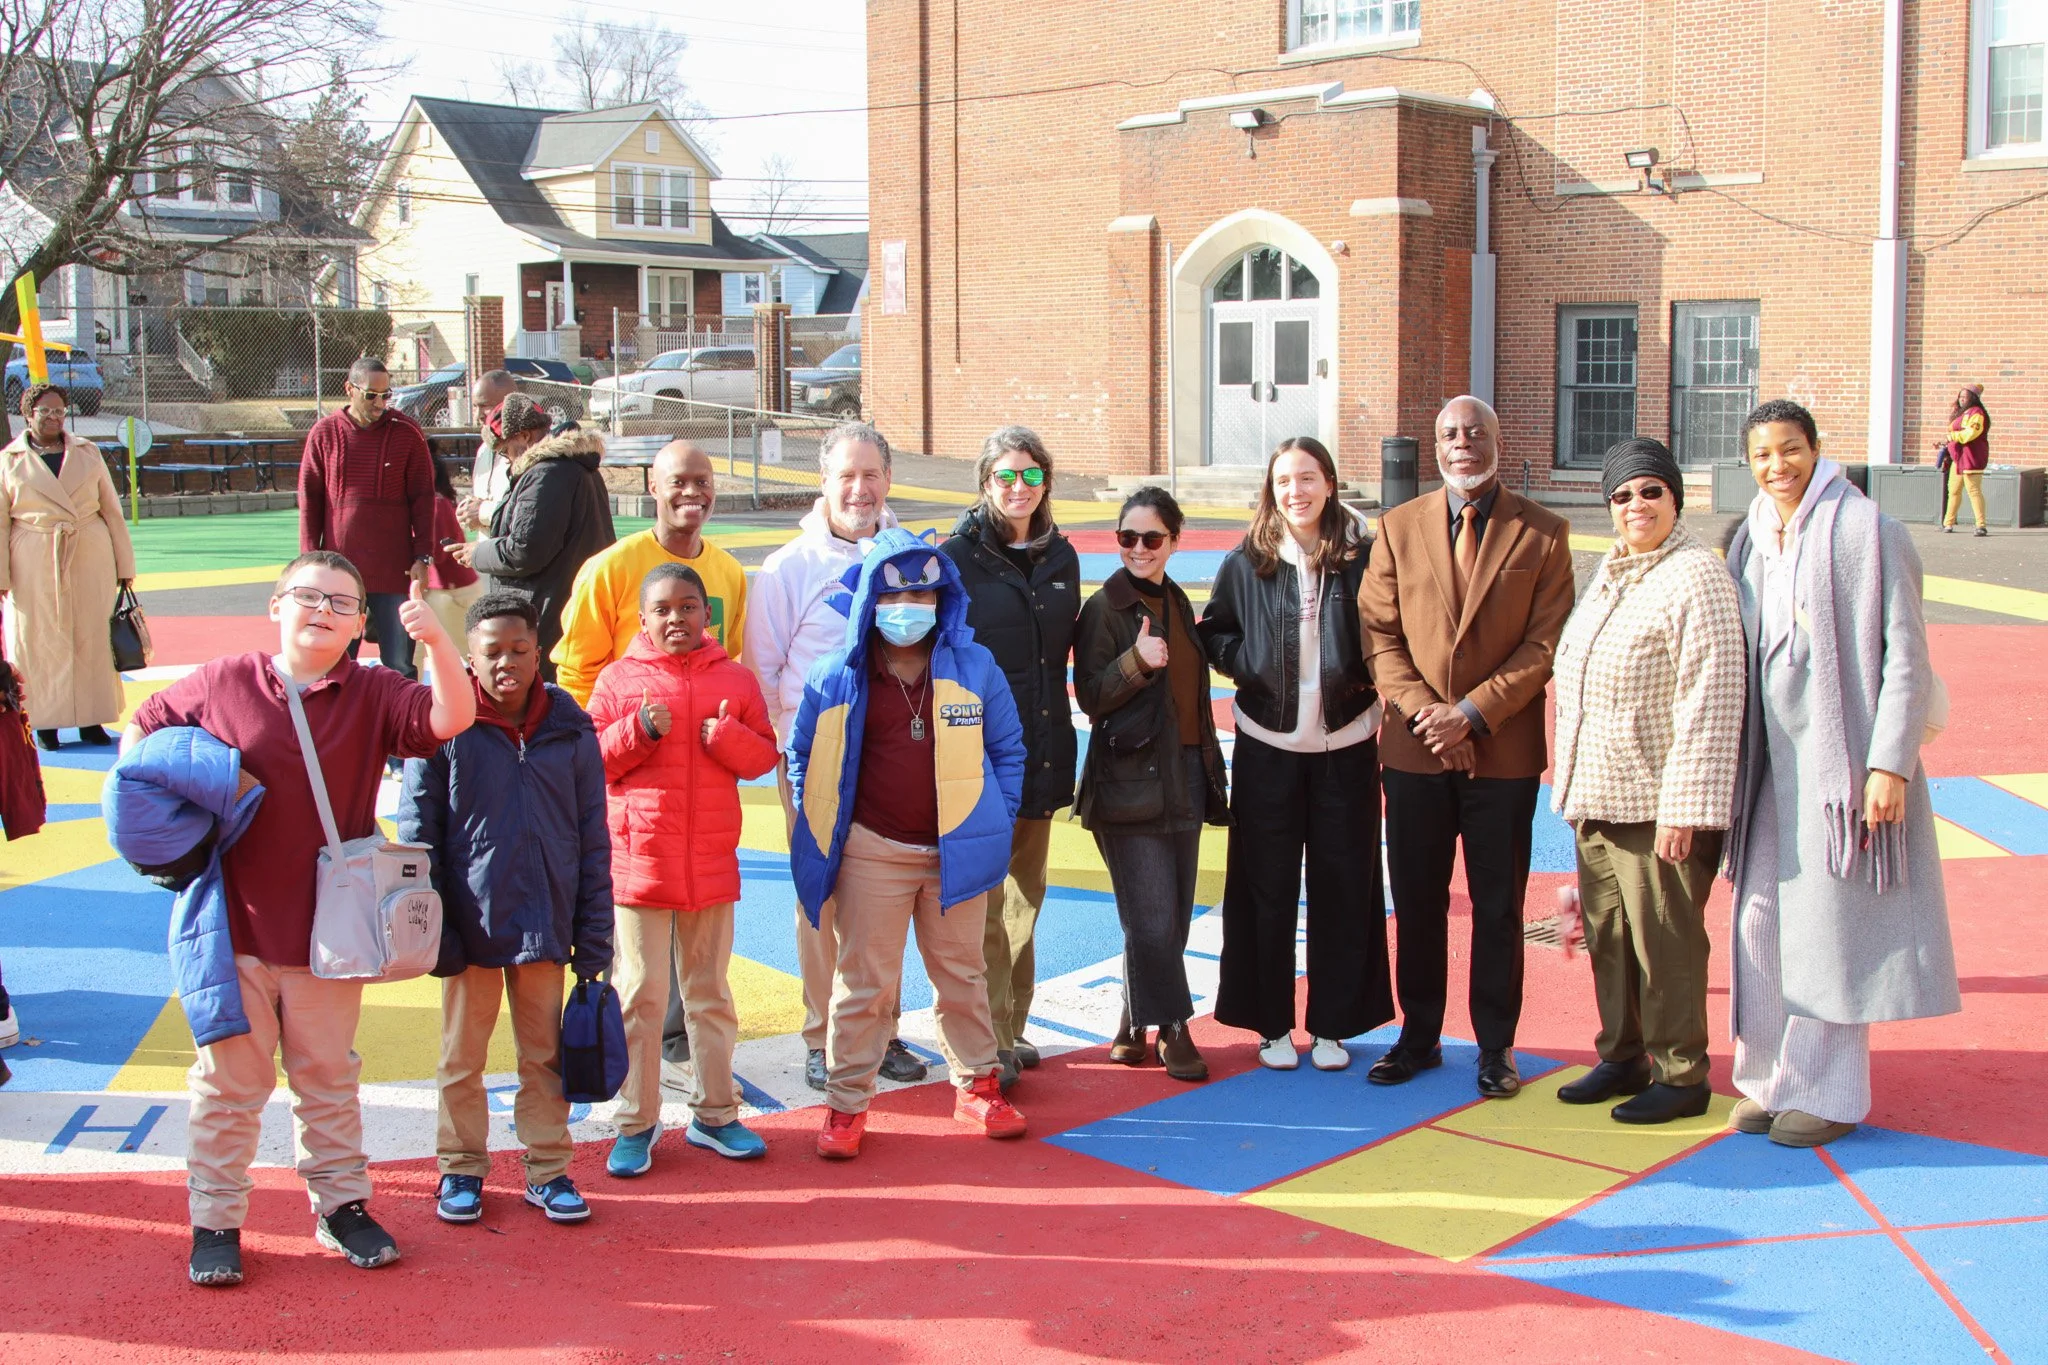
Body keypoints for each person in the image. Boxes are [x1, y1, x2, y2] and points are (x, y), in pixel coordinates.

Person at [121, 551, 476, 1287]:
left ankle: (341, 1204)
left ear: (359, 625)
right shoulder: (223, 682)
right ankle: (216, 1216)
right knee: (227, 1083)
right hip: (233, 932)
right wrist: (155, 828)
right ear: (276, 605)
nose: (323, 610)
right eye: (308, 595)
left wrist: (438, 641)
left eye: (343, 602)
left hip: (330, 936)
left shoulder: (375, 690)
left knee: (328, 1076)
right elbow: (142, 734)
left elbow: (451, 717)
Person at [1723, 399, 1959, 1148]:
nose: (1777, 466)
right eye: (1762, 455)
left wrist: (1890, 762)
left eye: (1790, 450)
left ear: (1817, 451)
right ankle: (1768, 1076)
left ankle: (1828, 1091)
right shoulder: (1749, 541)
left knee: (1830, 929)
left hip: (1841, 765)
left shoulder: (1869, 530)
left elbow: (1908, 657)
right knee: (1758, 918)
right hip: (1769, 762)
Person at [1359, 395, 1576, 1100]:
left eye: (1476, 432)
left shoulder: (1543, 534)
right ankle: (1418, 1035)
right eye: (1450, 432)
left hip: (1502, 751)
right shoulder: (1396, 528)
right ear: (1436, 444)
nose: (1463, 443)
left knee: (1498, 904)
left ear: (1497, 440)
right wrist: (1429, 714)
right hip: (1417, 750)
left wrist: (1473, 714)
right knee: (1417, 900)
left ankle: (1495, 1046)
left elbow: (1545, 644)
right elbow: (1379, 636)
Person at [789, 529, 1028, 1159]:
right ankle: (846, 1104)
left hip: (956, 851)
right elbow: (803, 757)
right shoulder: (836, 673)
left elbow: (1007, 751)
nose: (908, 607)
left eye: (923, 593)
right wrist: (815, 820)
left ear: (943, 597)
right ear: (869, 599)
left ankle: (978, 1084)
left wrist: (992, 819)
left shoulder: (974, 666)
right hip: (873, 850)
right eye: (894, 594)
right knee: (864, 981)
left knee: (963, 974)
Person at [397, 593, 614, 1226]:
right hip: (471, 922)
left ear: (538, 651)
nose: (506, 663)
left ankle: (547, 1169)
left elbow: (592, 833)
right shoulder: (444, 725)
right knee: (461, 1056)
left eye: (520, 649)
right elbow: (419, 834)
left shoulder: (569, 725)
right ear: (468, 655)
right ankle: (461, 1167)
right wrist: (439, 931)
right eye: (491, 651)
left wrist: (593, 935)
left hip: (545, 922)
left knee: (544, 1055)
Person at [1549, 438, 1747, 1124]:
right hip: (1598, 795)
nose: (1637, 505)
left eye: (1650, 491)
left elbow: (1712, 699)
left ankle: (1682, 1071)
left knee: (1664, 939)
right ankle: (1624, 1051)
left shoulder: (1696, 575)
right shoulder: (1613, 569)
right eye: (1623, 495)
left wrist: (1685, 809)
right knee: (1609, 936)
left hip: (1658, 802)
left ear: (1675, 497)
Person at [740, 420, 924, 1093]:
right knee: (820, 899)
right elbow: (762, 670)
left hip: (890, 756)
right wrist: (786, 757)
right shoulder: (789, 568)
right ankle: (822, 1035)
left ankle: (883, 1026)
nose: (860, 487)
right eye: (846, 475)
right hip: (815, 756)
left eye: (871, 474)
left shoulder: (908, 555)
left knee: (888, 895)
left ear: (888, 480)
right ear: (824, 482)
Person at [1199, 437, 1387, 1073]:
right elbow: (1215, 631)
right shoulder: (1247, 560)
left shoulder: (1365, 557)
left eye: (1307, 478)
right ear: (1271, 489)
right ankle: (1271, 1023)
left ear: (1329, 483)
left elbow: (1392, 630)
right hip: (1268, 748)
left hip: (1348, 746)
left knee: (1344, 889)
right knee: (1265, 891)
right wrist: (1244, 663)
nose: (1295, 492)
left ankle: (1334, 1025)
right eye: (1283, 481)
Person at [586, 564, 780, 1177]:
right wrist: (638, 731)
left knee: (710, 996)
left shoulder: (737, 678)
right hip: (640, 864)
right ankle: (635, 1122)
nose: (677, 619)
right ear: (641, 618)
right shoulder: (618, 680)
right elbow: (590, 764)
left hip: (711, 865)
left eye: (689, 607)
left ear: (708, 616)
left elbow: (762, 757)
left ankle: (715, 1113)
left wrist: (724, 738)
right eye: (663, 609)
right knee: (639, 996)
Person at [939, 425, 1079, 1087]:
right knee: (984, 906)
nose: (1017, 487)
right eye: (1005, 475)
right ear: (984, 483)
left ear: (1045, 480)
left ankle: (1012, 1026)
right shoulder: (956, 559)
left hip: (1046, 751)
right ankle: (987, 1036)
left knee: (1027, 898)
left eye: (1029, 475)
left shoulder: (1063, 558)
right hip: (982, 757)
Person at [1074, 487, 1228, 1081]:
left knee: (1175, 915)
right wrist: (1135, 662)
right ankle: (1174, 1028)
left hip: (1185, 773)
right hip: (1125, 781)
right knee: (1151, 918)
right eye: (1127, 538)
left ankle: (1132, 1020)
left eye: (1152, 538)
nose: (1138, 549)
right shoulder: (1104, 608)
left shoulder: (1180, 603)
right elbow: (1091, 695)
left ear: (1174, 541)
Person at [554, 440, 746, 705]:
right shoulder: (610, 568)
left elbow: (731, 657)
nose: (691, 491)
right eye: (678, 482)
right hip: (630, 735)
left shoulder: (730, 571)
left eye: (702, 482)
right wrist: (595, 737)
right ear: (654, 488)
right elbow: (577, 673)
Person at [0, 382, 136, 750]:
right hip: (33, 556)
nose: (54, 417)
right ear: (28, 414)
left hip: (89, 552)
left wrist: (124, 563)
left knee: (92, 636)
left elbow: (110, 509)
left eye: (59, 410)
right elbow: (1, 520)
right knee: (38, 640)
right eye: (45, 410)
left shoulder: (88, 453)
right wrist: (2, 575)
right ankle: (45, 723)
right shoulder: (9, 460)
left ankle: (92, 720)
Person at [450, 393, 616, 679]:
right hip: (571, 604)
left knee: (546, 699)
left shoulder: (546, 473)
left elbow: (525, 550)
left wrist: (476, 553)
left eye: (505, 451)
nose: (506, 460)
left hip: (551, 610)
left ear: (524, 436)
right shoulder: (572, 466)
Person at [298, 357, 437, 681]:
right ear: (349, 389)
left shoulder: (407, 433)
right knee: (333, 660)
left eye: (386, 395)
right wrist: (309, 560)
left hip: (394, 570)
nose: (380, 403)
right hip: (339, 572)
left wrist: (423, 556)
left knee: (400, 665)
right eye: (371, 395)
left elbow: (424, 497)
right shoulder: (324, 433)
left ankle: (403, 729)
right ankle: (333, 726)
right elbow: (309, 500)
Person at [422, 455, 482, 652]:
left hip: (450, 592)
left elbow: (438, 553)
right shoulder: (439, 501)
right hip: (449, 589)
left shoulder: (436, 504)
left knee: (472, 651)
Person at [459, 369, 520, 533]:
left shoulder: (527, 450)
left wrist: (482, 511)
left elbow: (527, 512)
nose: (478, 414)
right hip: (490, 552)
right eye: (474, 406)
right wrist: (468, 509)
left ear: (508, 404)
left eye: (485, 406)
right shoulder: (484, 450)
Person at [1939, 383, 1991, 537]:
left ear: (1973, 398)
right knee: (1953, 490)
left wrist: (1953, 436)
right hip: (1958, 458)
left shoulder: (1977, 413)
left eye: (1965, 397)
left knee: (1973, 491)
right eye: (1960, 397)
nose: (1961, 400)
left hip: (1971, 457)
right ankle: (1948, 523)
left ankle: (1981, 525)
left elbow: (1970, 434)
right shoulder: (1960, 413)